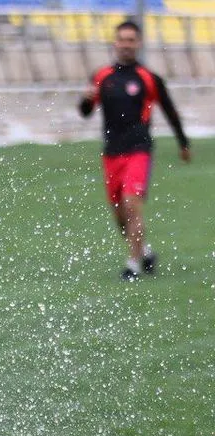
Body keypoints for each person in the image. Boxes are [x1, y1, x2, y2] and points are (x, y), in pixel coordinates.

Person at [79, 19, 191, 281]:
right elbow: (85, 111)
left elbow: (170, 111)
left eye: (131, 40)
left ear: (138, 44)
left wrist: (183, 143)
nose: (127, 45)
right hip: (111, 153)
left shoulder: (149, 78)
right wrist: (84, 101)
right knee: (119, 217)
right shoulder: (101, 76)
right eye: (122, 40)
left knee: (131, 205)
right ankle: (145, 252)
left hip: (139, 150)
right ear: (115, 43)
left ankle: (132, 265)